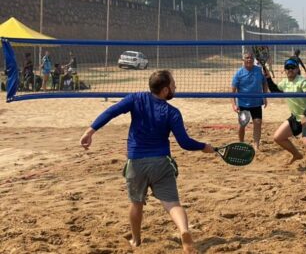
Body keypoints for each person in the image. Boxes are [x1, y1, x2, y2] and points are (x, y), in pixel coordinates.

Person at [78, 70, 215, 253]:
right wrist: (203, 146)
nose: (176, 87)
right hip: (161, 163)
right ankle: (184, 231)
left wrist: (90, 131)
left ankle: (136, 239)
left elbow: (111, 112)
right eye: (173, 85)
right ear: (165, 90)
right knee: (173, 204)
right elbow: (184, 143)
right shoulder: (172, 112)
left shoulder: (136, 99)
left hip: (136, 162)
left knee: (136, 203)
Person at [265, 59, 306, 171]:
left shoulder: (303, 82)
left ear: (297, 69)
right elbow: (275, 91)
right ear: (284, 70)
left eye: (292, 67)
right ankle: (297, 155)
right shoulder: (284, 82)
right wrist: (268, 78)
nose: (290, 70)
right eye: (287, 68)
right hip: (296, 117)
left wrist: (305, 115)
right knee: (278, 137)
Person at [231, 52, 268, 151]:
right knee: (242, 124)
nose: (249, 60)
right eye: (247, 58)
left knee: (258, 122)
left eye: (251, 58)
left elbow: (265, 83)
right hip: (243, 104)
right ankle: (241, 143)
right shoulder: (239, 73)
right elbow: (232, 91)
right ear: (243, 60)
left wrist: (265, 96)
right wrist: (234, 104)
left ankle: (256, 145)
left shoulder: (258, 70)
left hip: (256, 103)